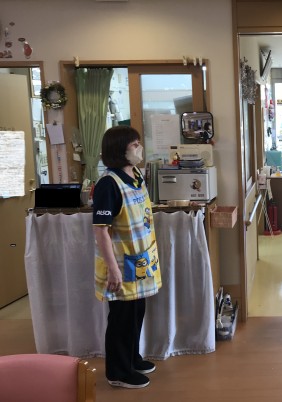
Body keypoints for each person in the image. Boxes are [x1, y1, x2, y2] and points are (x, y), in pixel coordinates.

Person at [93, 126, 162, 389]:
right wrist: (113, 269)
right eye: (134, 144)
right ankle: (118, 372)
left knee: (136, 313)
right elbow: (101, 231)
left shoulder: (135, 175)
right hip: (120, 264)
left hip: (141, 260)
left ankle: (132, 358)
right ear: (119, 150)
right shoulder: (108, 184)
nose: (139, 148)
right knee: (121, 318)